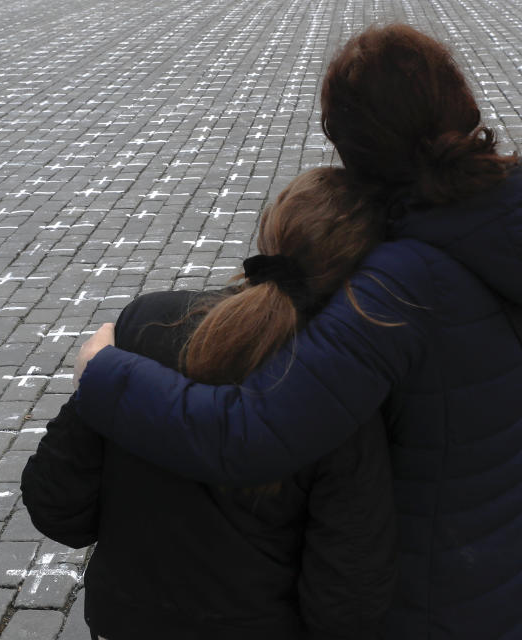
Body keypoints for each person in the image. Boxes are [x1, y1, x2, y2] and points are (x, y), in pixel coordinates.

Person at [74, 24, 522, 640]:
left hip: (427, 602)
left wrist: (106, 373)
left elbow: (253, 432)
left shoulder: (398, 286)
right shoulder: (520, 218)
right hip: (512, 574)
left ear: (357, 153)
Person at [21, 168, 398, 640]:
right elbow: (348, 602)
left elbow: (56, 505)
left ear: (269, 231)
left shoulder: (146, 323)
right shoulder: (340, 392)